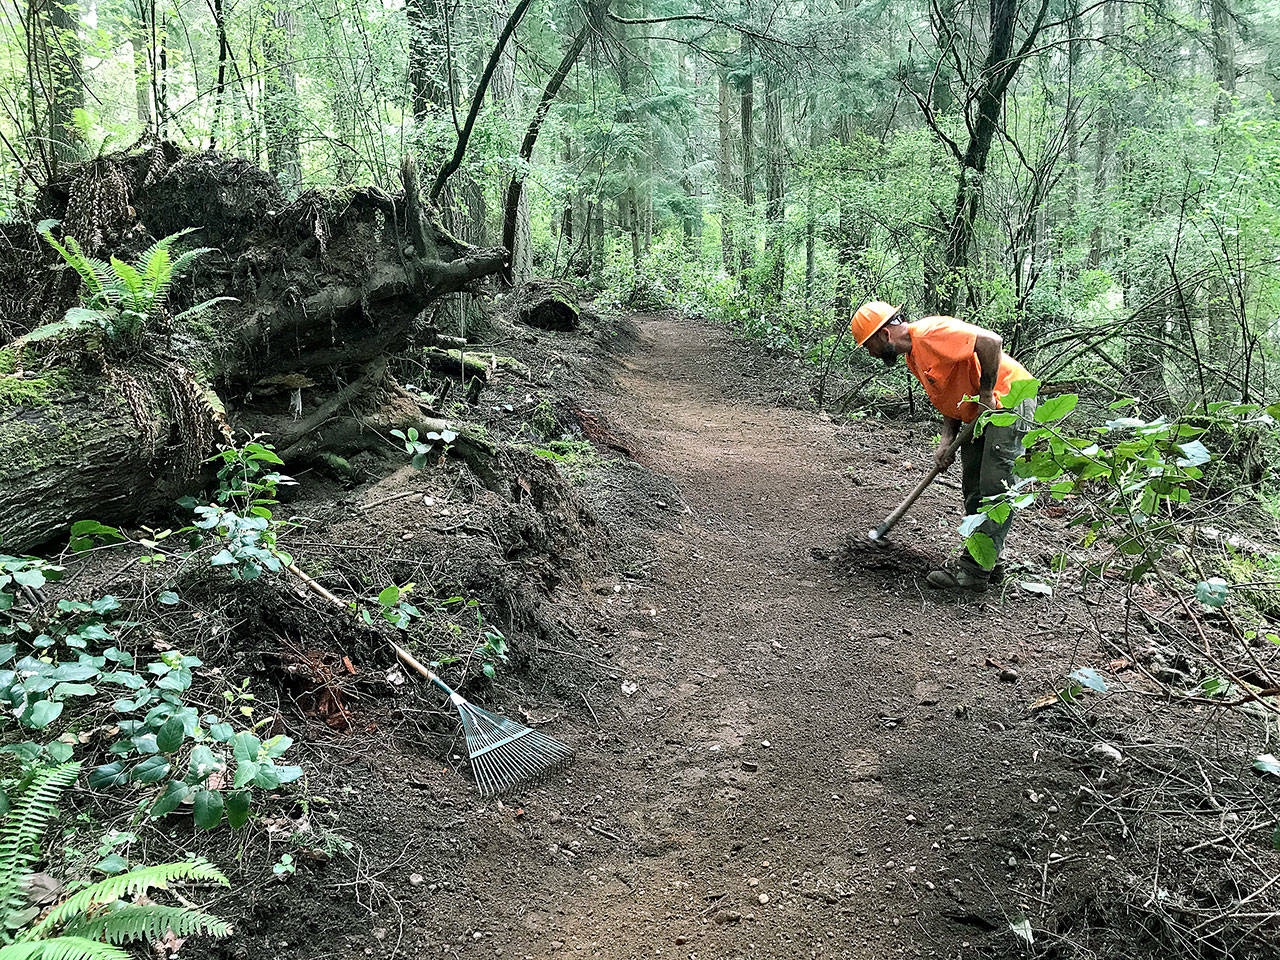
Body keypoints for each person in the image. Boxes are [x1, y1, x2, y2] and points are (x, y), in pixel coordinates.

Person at [851, 301, 1035, 590]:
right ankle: (986, 559)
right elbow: (950, 391)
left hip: (1008, 398)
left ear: (884, 334)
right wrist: (946, 439)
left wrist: (986, 392)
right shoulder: (914, 356)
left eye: (868, 344)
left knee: (995, 487)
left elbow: (991, 341)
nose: (869, 353)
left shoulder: (931, 333)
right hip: (977, 410)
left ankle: (974, 573)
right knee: (973, 485)